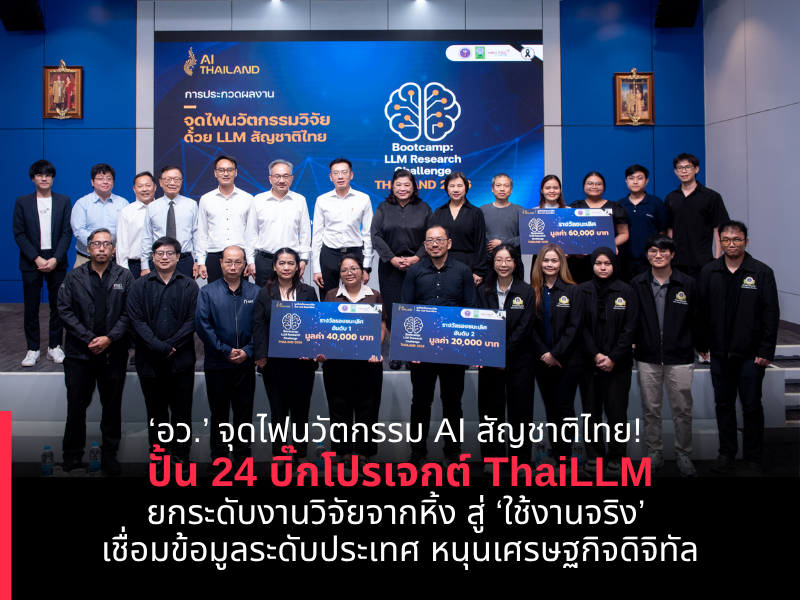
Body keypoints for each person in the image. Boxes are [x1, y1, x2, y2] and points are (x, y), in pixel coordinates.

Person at [699, 221, 779, 477]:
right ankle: (726, 454)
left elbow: (770, 314)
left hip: (751, 355)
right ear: (720, 242)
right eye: (726, 240)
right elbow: (702, 311)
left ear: (746, 241)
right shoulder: (709, 271)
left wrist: (766, 350)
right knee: (723, 404)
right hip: (719, 353)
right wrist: (702, 343)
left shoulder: (761, 272)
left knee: (752, 406)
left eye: (736, 239)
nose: (731, 244)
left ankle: (754, 459)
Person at [56, 228, 133, 475]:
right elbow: (64, 310)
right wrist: (89, 338)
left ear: (113, 249)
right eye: (96, 244)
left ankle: (109, 454)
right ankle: (72, 456)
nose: (101, 248)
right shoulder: (73, 277)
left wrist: (109, 338)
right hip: (80, 355)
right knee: (76, 408)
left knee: (111, 408)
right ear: (88, 248)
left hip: (114, 354)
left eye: (106, 244)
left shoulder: (125, 276)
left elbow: (130, 312)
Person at [401, 225, 478, 468]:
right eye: (430, 241)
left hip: (453, 350)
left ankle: (453, 453)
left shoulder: (463, 271)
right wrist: (410, 349)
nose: (435, 244)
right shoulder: (415, 271)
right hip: (421, 351)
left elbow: (471, 309)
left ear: (449, 243)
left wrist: (468, 350)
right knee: (420, 402)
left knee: (453, 404)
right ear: (424, 245)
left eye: (440, 240)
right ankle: (417, 453)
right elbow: (406, 309)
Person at [631, 234, 702, 477]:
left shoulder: (688, 283)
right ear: (647, 255)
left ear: (672, 254)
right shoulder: (637, 283)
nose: (658, 255)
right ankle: (654, 452)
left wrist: (695, 345)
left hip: (680, 356)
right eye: (653, 251)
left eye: (663, 251)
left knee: (682, 409)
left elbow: (697, 318)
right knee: (651, 408)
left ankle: (683, 454)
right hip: (647, 356)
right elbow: (632, 318)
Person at [127, 236, 199, 475]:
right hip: (150, 360)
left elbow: (193, 320)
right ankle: (159, 458)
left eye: (169, 253)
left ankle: (181, 456)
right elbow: (136, 320)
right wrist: (159, 347)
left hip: (181, 361)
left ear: (178, 257)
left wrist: (171, 346)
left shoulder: (189, 286)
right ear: (152, 257)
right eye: (160, 253)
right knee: (156, 414)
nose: (165, 257)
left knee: (182, 412)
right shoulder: (139, 285)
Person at [195, 245, 259, 474]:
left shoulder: (256, 292)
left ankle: (242, 460)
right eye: (228, 262)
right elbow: (202, 326)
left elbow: (261, 326)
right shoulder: (207, 292)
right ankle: (219, 459)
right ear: (220, 263)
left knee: (244, 414)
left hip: (245, 364)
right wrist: (225, 351)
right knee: (219, 414)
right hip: (217, 364)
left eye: (238, 262)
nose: (233, 267)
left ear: (245, 265)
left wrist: (248, 350)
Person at [253, 248, 319, 464]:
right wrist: (261, 355)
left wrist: (312, 351)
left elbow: (316, 323)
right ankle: (280, 453)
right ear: (274, 266)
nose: (286, 267)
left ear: (298, 266)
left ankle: (301, 453)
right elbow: (258, 325)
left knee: (301, 411)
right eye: (281, 263)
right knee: (278, 412)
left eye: (291, 263)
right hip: (274, 363)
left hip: (302, 363)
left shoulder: (309, 292)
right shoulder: (264, 293)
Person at [476, 245, 537, 474]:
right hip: (489, 361)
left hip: (520, 361)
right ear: (492, 263)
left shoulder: (527, 291)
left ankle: (521, 461)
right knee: (490, 413)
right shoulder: (483, 290)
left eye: (508, 260)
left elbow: (524, 328)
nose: (503, 264)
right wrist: (490, 355)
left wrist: (502, 353)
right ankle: (492, 459)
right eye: (499, 260)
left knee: (521, 412)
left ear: (515, 263)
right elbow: (478, 324)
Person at [320, 254, 386, 464]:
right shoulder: (331, 295)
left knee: (368, 408)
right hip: (337, 364)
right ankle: (344, 452)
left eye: (354, 268)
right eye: (344, 270)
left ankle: (364, 452)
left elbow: (382, 327)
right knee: (339, 408)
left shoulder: (374, 295)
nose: (349, 273)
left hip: (368, 364)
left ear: (362, 272)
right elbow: (324, 327)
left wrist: (374, 348)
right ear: (339, 274)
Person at [578, 247, 638, 477]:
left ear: (614, 265)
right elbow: (579, 326)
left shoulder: (626, 290)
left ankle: (616, 458)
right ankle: (594, 456)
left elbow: (631, 327)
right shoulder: (582, 290)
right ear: (592, 265)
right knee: (590, 414)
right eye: (598, 263)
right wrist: (595, 355)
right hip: (589, 363)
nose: (603, 268)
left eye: (607, 263)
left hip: (618, 365)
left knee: (617, 415)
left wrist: (613, 357)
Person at [370, 169, 432, 370]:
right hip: (390, 267)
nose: (402, 188)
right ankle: (396, 352)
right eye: (398, 185)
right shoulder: (383, 207)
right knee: (393, 309)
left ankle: (414, 353)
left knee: (416, 308)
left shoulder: (424, 208)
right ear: (392, 187)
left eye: (407, 185)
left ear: (414, 187)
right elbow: (375, 235)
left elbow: (431, 237)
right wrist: (392, 259)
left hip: (419, 267)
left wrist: (416, 258)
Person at [13, 160, 72, 367]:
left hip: (57, 260)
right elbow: (19, 233)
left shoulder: (63, 201)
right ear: (33, 178)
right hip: (31, 261)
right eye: (39, 175)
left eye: (48, 175)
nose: (44, 178)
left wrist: (56, 258)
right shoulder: (22, 202)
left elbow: (67, 233)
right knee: (31, 307)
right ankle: (33, 349)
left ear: (53, 178)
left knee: (58, 306)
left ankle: (54, 347)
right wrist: (36, 258)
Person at [530, 243, 584, 469]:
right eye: (545, 260)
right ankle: (556, 450)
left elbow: (575, 327)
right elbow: (530, 327)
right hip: (542, 360)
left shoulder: (573, 291)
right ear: (539, 263)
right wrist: (544, 353)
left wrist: (556, 353)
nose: (549, 264)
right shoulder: (532, 291)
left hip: (567, 361)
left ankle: (565, 454)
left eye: (554, 260)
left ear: (561, 263)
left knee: (564, 407)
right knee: (550, 408)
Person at [312, 157, 373, 300]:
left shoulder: (363, 199)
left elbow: (368, 234)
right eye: (336, 173)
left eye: (344, 172)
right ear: (330, 177)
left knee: (355, 298)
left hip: (355, 253)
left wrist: (366, 266)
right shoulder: (322, 200)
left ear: (351, 175)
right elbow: (317, 235)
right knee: (328, 299)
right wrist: (316, 269)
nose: (340, 176)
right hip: (329, 254)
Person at [245, 159, 311, 287]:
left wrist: (304, 259)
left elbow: (305, 233)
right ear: (270, 179)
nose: (281, 180)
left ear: (291, 178)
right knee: (263, 297)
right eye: (277, 176)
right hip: (264, 261)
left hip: (290, 262)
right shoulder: (258, 200)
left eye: (285, 176)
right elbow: (251, 234)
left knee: (289, 297)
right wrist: (250, 261)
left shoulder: (300, 200)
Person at [665, 153, 729, 282]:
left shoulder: (711, 197)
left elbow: (718, 229)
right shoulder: (671, 198)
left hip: (703, 261)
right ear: (675, 171)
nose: (684, 171)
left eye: (688, 167)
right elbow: (670, 229)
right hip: (677, 261)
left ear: (696, 169)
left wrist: (717, 259)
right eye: (680, 168)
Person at [196, 156, 253, 283]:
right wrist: (201, 262)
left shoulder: (247, 199)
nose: (225, 173)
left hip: (239, 257)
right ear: (215, 173)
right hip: (214, 256)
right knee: (214, 293)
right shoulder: (206, 199)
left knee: (240, 293)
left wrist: (250, 261)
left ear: (236, 172)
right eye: (221, 170)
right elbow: (202, 233)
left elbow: (251, 234)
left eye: (229, 170)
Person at [568, 172, 630, 283]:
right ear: (584, 186)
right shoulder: (574, 208)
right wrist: (575, 249)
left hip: (607, 259)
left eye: (598, 184)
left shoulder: (615, 207)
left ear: (604, 187)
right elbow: (567, 234)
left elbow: (624, 233)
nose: (594, 186)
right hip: (580, 262)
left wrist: (611, 244)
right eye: (590, 183)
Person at [140, 166, 198, 279]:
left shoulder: (191, 205)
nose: (172, 183)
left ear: (181, 182)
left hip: (184, 261)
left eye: (176, 179)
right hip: (159, 260)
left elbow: (197, 235)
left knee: (185, 290)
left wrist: (198, 261)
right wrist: (144, 265)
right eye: (168, 179)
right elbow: (147, 237)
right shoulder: (152, 207)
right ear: (160, 182)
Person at [432, 171, 486, 287]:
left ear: (466, 188)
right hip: (442, 266)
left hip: (469, 266)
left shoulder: (476, 212)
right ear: (446, 189)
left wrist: (479, 271)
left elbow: (481, 244)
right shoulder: (438, 212)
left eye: (460, 186)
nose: (456, 190)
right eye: (452, 186)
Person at [617, 165, 667, 283]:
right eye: (631, 178)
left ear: (647, 181)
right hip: (625, 261)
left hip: (650, 261)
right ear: (626, 180)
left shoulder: (656, 203)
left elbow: (663, 232)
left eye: (640, 178)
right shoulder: (619, 204)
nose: (635, 182)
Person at [70, 164, 127, 269]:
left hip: (115, 260)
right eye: (100, 178)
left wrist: (115, 247)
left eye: (109, 178)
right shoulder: (82, 204)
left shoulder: (123, 203)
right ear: (92, 182)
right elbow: (79, 231)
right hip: (86, 259)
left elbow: (128, 231)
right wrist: (98, 246)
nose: (105, 182)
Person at [482, 173, 524, 281]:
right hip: (489, 262)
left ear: (511, 190)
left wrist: (502, 243)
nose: (502, 189)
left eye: (506, 186)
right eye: (498, 185)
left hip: (513, 261)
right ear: (492, 189)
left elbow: (525, 238)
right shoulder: (482, 210)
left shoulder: (520, 210)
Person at [116, 171, 157, 279]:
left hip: (161, 263)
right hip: (135, 266)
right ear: (134, 189)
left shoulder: (163, 209)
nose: (144, 189)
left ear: (155, 187)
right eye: (140, 186)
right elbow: (122, 245)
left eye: (148, 185)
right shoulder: (127, 212)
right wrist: (124, 272)